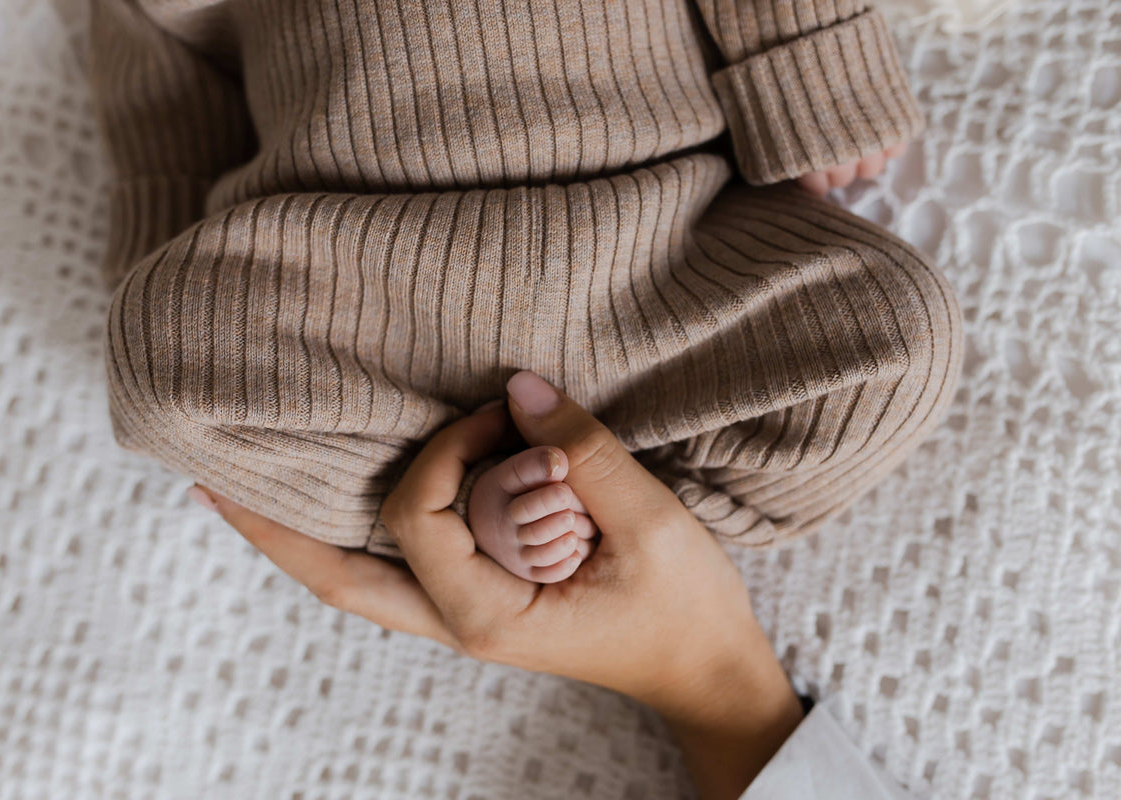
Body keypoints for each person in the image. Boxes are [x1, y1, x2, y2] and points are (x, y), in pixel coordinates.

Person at [91, 0, 962, 577]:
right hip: (346, 269)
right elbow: (163, 103)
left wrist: (810, 59)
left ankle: (639, 513)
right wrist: (162, 257)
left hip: (664, 239)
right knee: (163, 364)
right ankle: (451, 512)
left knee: (899, 330)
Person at [187, 372, 913, 799]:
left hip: (359, 335)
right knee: (893, 355)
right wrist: (706, 670)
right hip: (652, 277)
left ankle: (496, 510)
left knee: (186, 389)